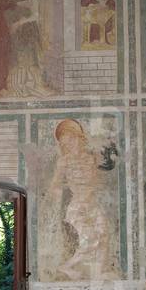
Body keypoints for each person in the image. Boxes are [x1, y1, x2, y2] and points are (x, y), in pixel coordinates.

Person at [48, 120, 113, 280]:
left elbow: (102, 177)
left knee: (104, 233)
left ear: (79, 137)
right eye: (65, 144)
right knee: (88, 238)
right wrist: (54, 201)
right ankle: (66, 266)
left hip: (93, 204)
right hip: (77, 207)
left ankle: (100, 270)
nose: (70, 145)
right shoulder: (64, 161)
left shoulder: (92, 158)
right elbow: (55, 185)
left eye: (71, 139)